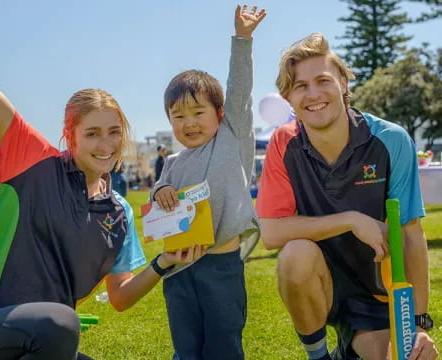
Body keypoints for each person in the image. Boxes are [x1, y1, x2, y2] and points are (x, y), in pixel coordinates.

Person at [0, 34, 204, 360]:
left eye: (114, 132)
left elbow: (119, 296)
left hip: (45, 343)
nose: (106, 145)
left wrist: (164, 263)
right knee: (61, 322)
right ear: (70, 134)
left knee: (60, 326)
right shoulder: (33, 161)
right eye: (92, 133)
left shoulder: (119, 212)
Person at [256, 33, 438, 360]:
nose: (313, 94)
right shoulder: (283, 143)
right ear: (288, 97)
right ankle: (319, 356)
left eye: (323, 80)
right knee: (294, 254)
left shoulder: (390, 139)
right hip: (321, 282)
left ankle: (352, 345)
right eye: (300, 86)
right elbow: (270, 233)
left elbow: (411, 236)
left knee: (410, 357)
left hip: (376, 288)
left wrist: (420, 324)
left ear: (342, 82)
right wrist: (351, 221)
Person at [151, 5, 265, 360]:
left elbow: (240, 90)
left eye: (198, 112)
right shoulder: (170, 162)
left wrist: (242, 40)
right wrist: (161, 191)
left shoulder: (232, 139)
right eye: (178, 116)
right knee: (186, 345)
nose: (189, 123)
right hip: (179, 269)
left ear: (219, 114)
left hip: (221, 267)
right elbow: (158, 199)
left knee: (223, 345)